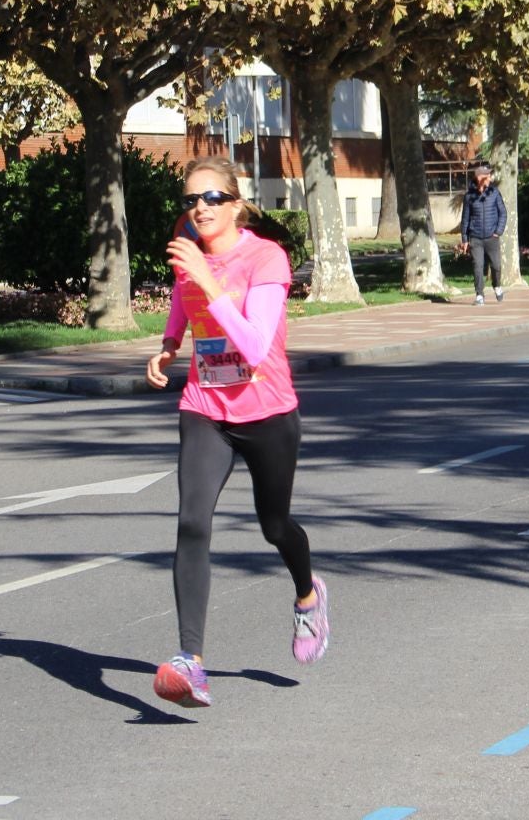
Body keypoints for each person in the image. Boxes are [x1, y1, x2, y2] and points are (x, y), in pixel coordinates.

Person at [145, 156, 328, 709]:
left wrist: (207, 279)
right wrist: (170, 344)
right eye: (191, 200)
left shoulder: (266, 258)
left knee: (275, 526)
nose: (199, 208)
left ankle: (306, 595)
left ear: (236, 203)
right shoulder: (190, 260)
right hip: (205, 406)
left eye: (211, 199)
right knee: (191, 523)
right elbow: (184, 298)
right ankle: (191, 662)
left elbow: (253, 345)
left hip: (267, 410)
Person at [457, 160, 509, 305]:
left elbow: (503, 213)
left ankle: (497, 285)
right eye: (487, 175)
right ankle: (479, 295)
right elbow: (465, 219)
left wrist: (498, 232)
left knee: (496, 266)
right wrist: (465, 240)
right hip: (476, 238)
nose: (490, 177)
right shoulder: (469, 197)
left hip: (492, 237)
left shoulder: (494, 193)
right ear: (480, 178)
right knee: (477, 266)